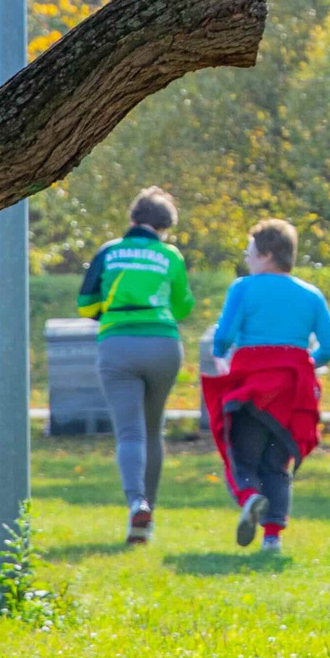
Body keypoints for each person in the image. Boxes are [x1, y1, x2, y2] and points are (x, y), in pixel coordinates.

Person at [201, 218, 330, 554]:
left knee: (241, 457)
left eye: (250, 252)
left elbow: (223, 337)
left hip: (252, 386)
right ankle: (272, 539)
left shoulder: (243, 288)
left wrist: (221, 356)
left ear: (265, 254)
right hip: (292, 391)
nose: (247, 259)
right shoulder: (311, 294)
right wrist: (307, 363)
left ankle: (250, 498)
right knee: (277, 466)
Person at [76, 188, 195, 546]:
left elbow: (85, 304)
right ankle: (149, 517)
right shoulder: (170, 255)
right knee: (153, 430)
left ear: (132, 219)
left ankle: (135, 503)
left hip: (118, 346)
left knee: (130, 434)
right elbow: (183, 306)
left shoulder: (110, 251)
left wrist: (110, 311)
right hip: (163, 346)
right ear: (165, 227)